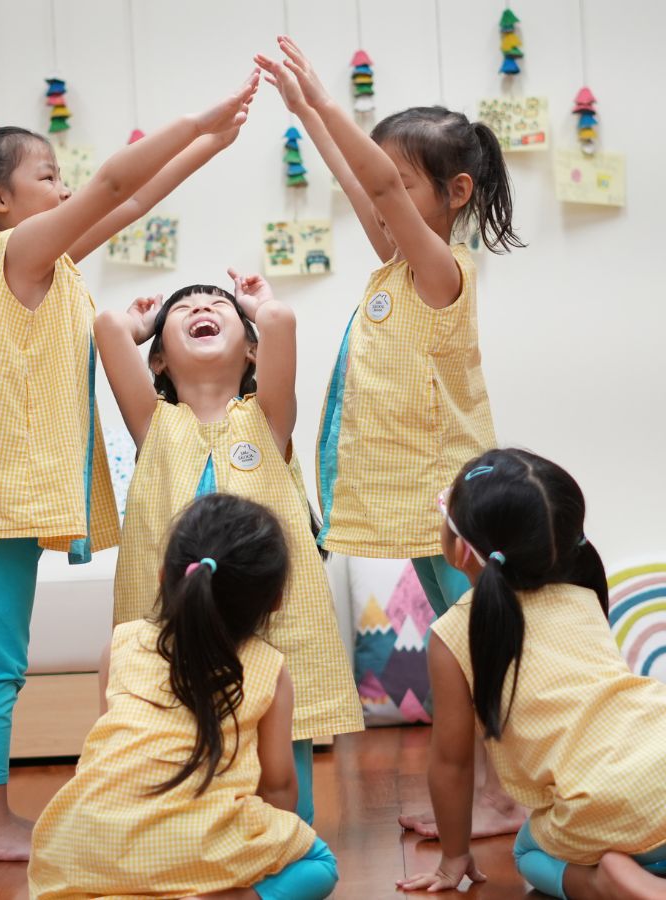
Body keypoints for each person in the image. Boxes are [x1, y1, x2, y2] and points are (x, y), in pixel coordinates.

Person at [0, 70, 260, 860]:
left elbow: (126, 201)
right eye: (48, 177)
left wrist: (210, 145)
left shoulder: (43, 257)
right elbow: (112, 183)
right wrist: (197, 112)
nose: (66, 189)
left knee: (0, 660)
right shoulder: (9, 253)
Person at [256, 35, 526, 837]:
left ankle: (509, 795)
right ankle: (499, 793)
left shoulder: (443, 271)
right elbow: (360, 183)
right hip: (417, 496)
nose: (388, 202)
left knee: (482, 644)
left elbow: (373, 181)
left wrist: (323, 102)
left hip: (449, 497)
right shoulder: (399, 266)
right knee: (464, 640)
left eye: (406, 188)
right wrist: (305, 113)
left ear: (456, 192)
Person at [97, 272, 362, 825]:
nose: (202, 307)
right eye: (184, 308)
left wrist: (256, 303)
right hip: (179, 620)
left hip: (274, 619)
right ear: (158, 361)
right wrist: (136, 322)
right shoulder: (154, 424)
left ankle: (286, 846)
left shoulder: (268, 421)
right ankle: (201, 849)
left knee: (285, 754)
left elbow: (281, 320)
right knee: (179, 741)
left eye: (219, 304)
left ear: (251, 351)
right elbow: (106, 328)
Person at [30, 494, 339, 900]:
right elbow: (279, 786)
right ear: (276, 600)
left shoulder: (120, 645)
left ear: (164, 577)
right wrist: (261, 857)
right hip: (197, 843)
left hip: (85, 843)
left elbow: (107, 750)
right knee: (320, 865)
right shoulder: (268, 669)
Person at [399, 449, 666, 899]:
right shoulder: (581, 595)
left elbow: (452, 763)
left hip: (606, 813)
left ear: (459, 549)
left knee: (526, 851)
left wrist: (453, 856)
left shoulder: (451, 635)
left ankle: (605, 881)